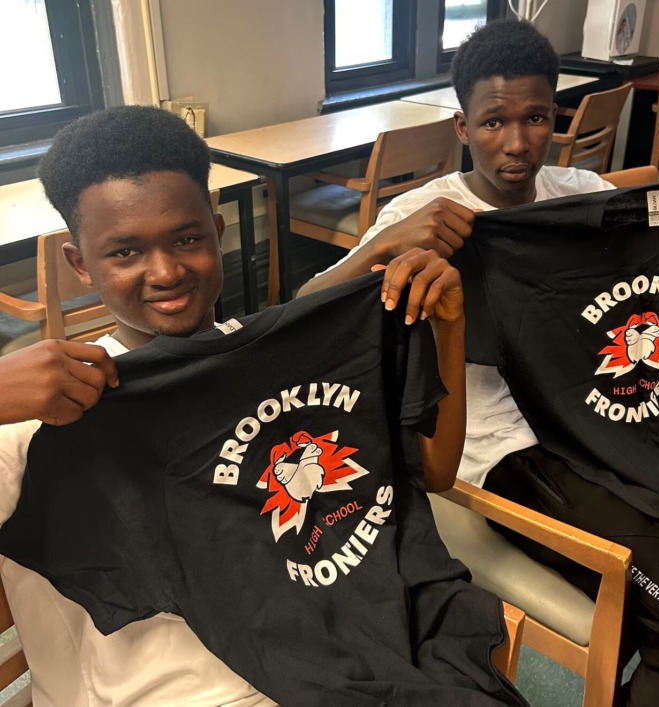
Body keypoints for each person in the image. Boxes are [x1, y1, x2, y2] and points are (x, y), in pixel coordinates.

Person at [298, 17, 659, 707]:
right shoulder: (422, 215)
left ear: (556, 116)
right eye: (492, 122)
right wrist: (385, 243)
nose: (516, 143)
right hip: (515, 454)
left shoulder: (576, 192)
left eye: (535, 118)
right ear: (462, 127)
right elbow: (301, 317)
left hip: (615, 421)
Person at [0, 105, 475, 705]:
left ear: (218, 233)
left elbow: (432, 471)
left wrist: (449, 331)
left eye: (187, 239)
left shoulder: (257, 365)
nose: (166, 271)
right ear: (78, 263)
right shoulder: (36, 418)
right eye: (124, 253)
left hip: (320, 660)